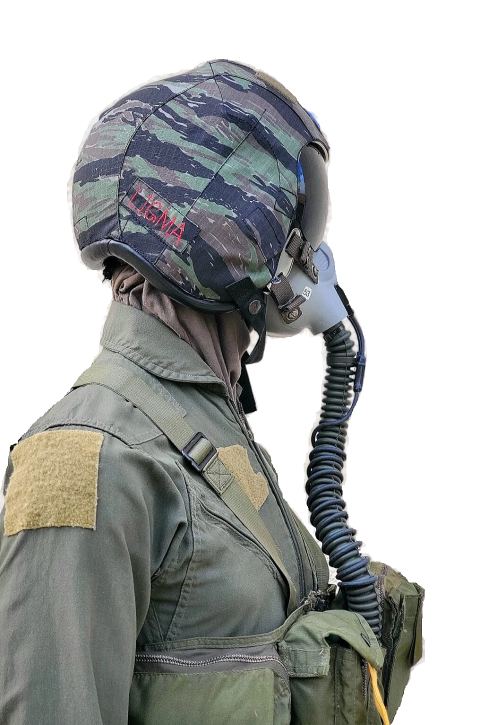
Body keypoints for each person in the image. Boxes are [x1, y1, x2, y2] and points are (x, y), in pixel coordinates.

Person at [0, 59, 422, 725]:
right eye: (296, 219)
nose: (311, 253)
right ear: (231, 233)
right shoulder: (86, 460)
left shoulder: (202, 424)